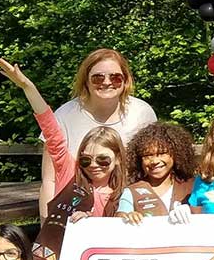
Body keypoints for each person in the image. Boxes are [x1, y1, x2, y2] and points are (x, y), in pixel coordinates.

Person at [0, 58, 124, 260]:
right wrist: (27, 86)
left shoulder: (124, 191)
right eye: (86, 159)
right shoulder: (71, 175)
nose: (93, 165)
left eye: (103, 160)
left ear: (117, 160)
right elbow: (50, 127)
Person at [39, 48, 155, 219]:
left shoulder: (142, 113)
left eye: (115, 77)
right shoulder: (65, 115)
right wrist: (47, 229)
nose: (107, 82)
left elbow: (153, 166)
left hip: (129, 211)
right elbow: (50, 180)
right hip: (75, 210)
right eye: (98, 77)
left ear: (125, 81)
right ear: (86, 81)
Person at [117, 122, 196, 224]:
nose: (154, 161)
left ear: (176, 154)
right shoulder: (132, 191)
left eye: (162, 153)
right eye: (147, 155)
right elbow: (119, 218)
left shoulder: (193, 186)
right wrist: (128, 216)